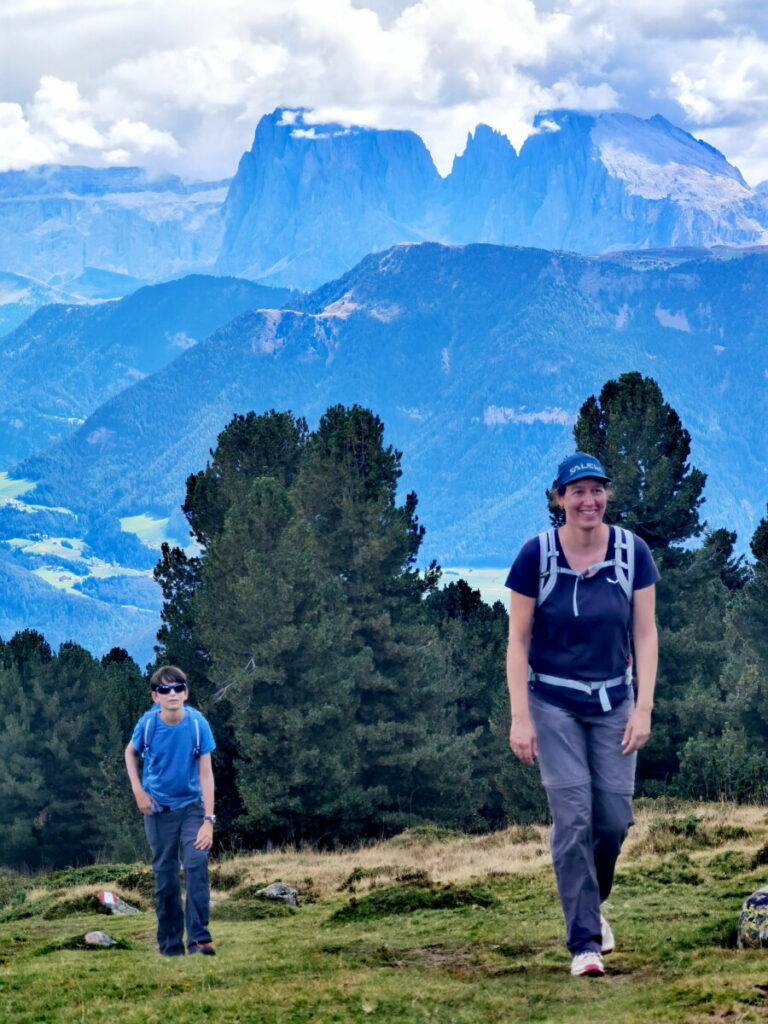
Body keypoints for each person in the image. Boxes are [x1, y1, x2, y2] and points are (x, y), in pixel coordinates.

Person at [506, 452, 659, 977]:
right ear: (559, 499)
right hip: (553, 705)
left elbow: (645, 632)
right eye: (577, 492)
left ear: (606, 496)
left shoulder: (632, 553)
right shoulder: (536, 556)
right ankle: (585, 945)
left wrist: (643, 707)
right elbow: (518, 639)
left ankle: (592, 905)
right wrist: (519, 716)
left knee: (614, 820)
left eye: (596, 490)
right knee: (573, 819)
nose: (588, 500)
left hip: (614, 703)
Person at [124, 665, 217, 957]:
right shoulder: (148, 724)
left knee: (196, 863)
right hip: (158, 810)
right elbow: (130, 752)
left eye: (178, 688)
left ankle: (200, 941)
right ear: (155, 697)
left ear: (186, 693)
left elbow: (206, 775)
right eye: (165, 690)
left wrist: (208, 822)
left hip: (192, 807)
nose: (172, 693)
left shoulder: (198, 724)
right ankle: (170, 947)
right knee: (165, 877)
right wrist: (138, 792)